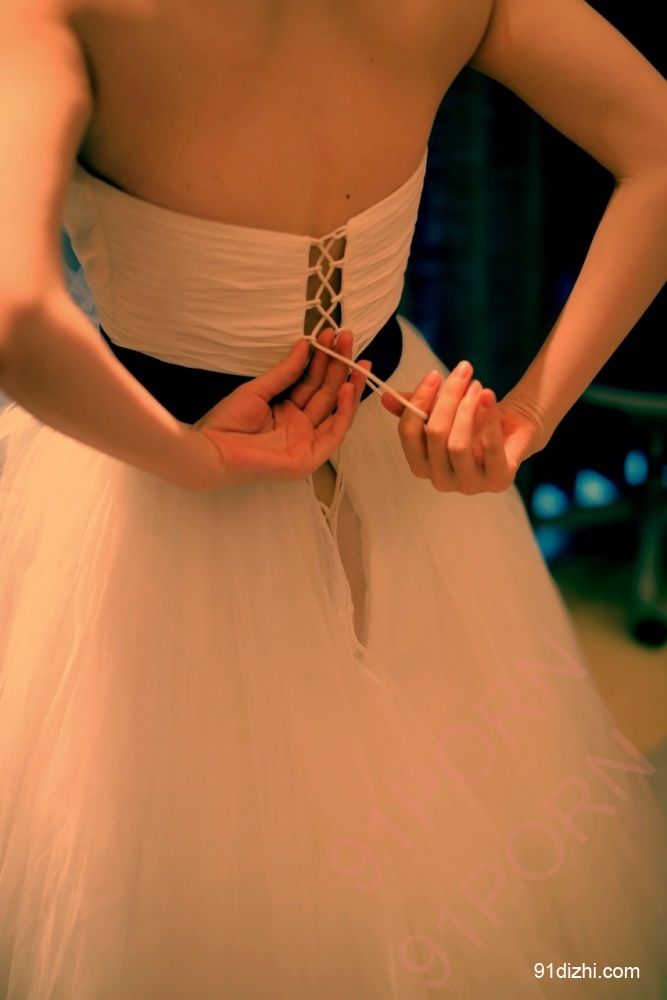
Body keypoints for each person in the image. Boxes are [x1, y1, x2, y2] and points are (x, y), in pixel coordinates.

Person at [1, 0, 666, 996]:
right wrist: (528, 415)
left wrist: (188, 456)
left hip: (158, 494)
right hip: (405, 464)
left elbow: (14, 310)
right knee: (457, 863)